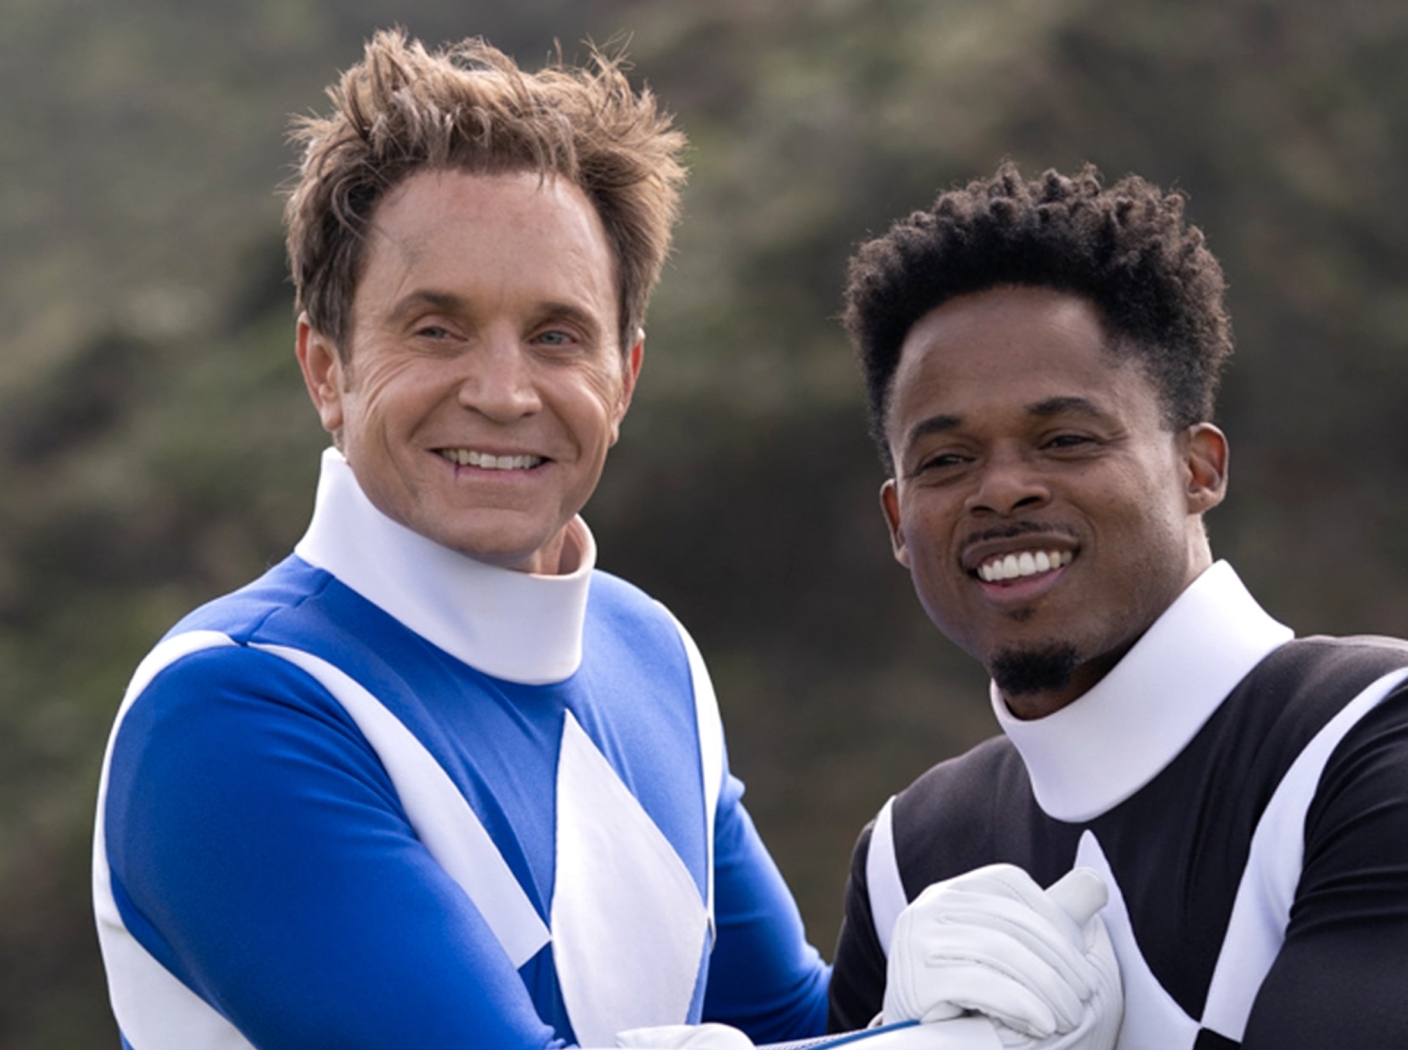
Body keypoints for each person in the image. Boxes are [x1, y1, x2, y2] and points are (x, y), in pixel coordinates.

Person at [90, 32, 1118, 1050]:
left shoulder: (647, 652)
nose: (503, 393)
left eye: (556, 336)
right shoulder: (227, 711)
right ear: (328, 370)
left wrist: (928, 989)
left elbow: (796, 1027)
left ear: (622, 380)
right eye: (435, 329)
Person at [827, 161, 1408, 1049]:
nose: (1003, 489)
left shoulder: (1367, 741)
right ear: (900, 522)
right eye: (946, 461)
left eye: (1066, 439)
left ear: (1198, 468)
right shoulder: (907, 855)